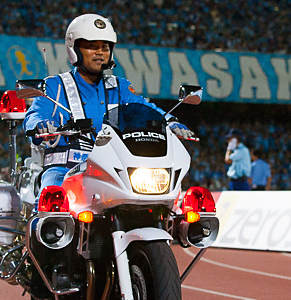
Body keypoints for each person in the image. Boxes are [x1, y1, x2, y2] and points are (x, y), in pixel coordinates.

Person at [23, 13, 193, 193]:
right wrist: (40, 124)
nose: (99, 52)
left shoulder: (120, 87)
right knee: (52, 202)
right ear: (75, 49)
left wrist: (170, 121)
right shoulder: (54, 86)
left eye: (105, 47)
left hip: (111, 171)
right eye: (91, 46)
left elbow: (144, 108)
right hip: (65, 169)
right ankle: (44, 222)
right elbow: (35, 114)